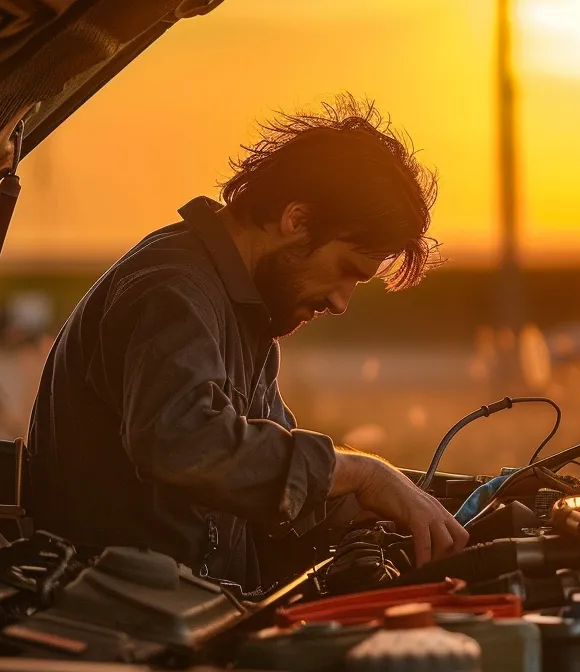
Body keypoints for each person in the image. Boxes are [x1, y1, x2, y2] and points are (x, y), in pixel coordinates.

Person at [25, 95, 467, 590]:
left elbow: (267, 466)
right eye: (347, 270)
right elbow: (180, 441)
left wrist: (403, 507)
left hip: (206, 610)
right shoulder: (174, 290)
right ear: (296, 220)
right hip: (124, 624)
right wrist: (364, 474)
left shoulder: (247, 315)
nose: (342, 302)